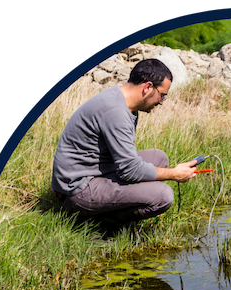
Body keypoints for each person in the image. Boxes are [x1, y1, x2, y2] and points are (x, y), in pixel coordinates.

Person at [51, 58, 197, 233]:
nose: (161, 102)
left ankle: (103, 215)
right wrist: (174, 174)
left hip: (96, 171)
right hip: (76, 190)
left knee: (159, 158)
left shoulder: (125, 103)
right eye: (162, 95)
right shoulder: (116, 112)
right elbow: (130, 170)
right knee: (163, 196)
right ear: (147, 87)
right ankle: (93, 224)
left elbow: (127, 164)